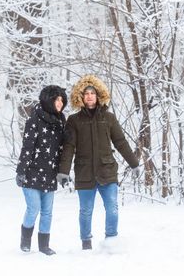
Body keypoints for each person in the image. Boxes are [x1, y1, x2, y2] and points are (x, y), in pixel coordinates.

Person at [57, 75, 140, 250]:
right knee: (86, 211)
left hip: (107, 171)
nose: (89, 96)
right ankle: (86, 242)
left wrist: (134, 163)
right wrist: (63, 171)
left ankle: (111, 240)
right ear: (81, 97)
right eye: (86, 93)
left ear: (98, 96)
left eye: (92, 93)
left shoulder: (108, 118)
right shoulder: (74, 120)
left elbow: (120, 142)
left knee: (112, 208)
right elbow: (69, 147)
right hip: (84, 172)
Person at [15, 85, 67, 255]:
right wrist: (21, 171)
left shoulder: (61, 121)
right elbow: (27, 147)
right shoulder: (35, 119)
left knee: (47, 212)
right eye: (56, 99)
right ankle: (25, 240)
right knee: (33, 208)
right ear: (48, 100)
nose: (60, 103)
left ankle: (44, 245)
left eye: (61, 100)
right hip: (31, 172)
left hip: (50, 173)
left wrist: (62, 172)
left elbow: (61, 150)